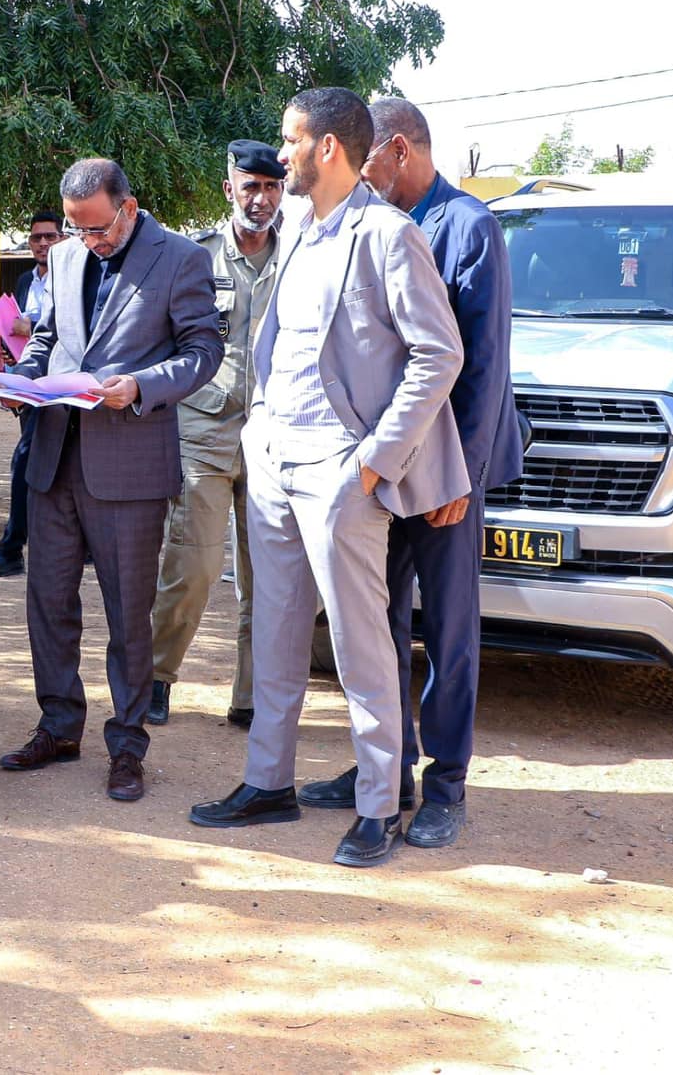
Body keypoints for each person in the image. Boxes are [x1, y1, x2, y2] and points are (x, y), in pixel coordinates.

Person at [189, 87, 465, 870]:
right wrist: (259, 431)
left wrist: (375, 462)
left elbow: (439, 355)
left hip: (341, 470)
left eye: (291, 141)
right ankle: (267, 782)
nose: (282, 155)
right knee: (273, 632)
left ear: (329, 149)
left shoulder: (387, 235)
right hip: (273, 456)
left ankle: (379, 804)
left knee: (359, 643)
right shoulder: (302, 232)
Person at [301, 96, 523, 849]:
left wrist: (464, 476)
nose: (358, 178)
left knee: (449, 631)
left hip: (445, 476)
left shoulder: (467, 225)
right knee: (376, 624)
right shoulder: (364, 224)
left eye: (368, 163)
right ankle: (385, 773)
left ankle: (446, 786)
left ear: (399, 150)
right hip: (382, 468)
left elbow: (482, 363)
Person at [0, 158, 221, 803]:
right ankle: (59, 724)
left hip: (129, 464)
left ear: (127, 206)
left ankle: (127, 745)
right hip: (53, 457)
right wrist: (26, 380)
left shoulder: (180, 258)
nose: (86, 241)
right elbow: (48, 337)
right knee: (49, 603)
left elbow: (203, 352)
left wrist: (142, 387)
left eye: (96, 228)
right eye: (75, 228)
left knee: (128, 614)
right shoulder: (64, 259)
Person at [149, 140, 284, 729]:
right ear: (229, 189)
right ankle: (155, 676)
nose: (261, 199)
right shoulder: (194, 257)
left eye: (272, 187)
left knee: (269, 575)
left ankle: (251, 696)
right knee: (194, 564)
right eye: (250, 187)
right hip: (203, 429)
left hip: (276, 434)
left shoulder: (300, 255)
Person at [0, 210, 62, 579]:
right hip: (28, 385)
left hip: (63, 386)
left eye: (50, 237)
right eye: (37, 237)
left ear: (64, 239)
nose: (43, 243)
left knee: (26, 461)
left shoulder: (79, 277)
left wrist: (36, 326)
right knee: (31, 460)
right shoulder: (27, 280)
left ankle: (11, 549)